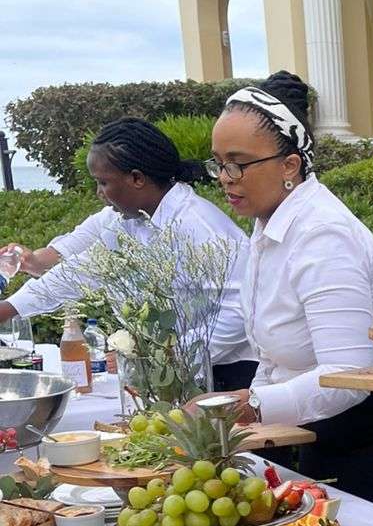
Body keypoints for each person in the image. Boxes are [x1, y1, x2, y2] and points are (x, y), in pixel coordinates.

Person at [201, 71, 373, 519]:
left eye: (238, 163)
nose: (225, 179)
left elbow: (347, 374)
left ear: (289, 165)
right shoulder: (269, 222)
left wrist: (247, 407)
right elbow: (273, 357)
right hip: (319, 430)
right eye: (218, 163)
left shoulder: (323, 233)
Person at [0, 120, 254, 390]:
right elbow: (80, 272)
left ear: (137, 178)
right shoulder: (129, 222)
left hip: (231, 376)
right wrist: (10, 308)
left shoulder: (200, 226)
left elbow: (239, 312)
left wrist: (164, 358)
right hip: (175, 374)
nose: (99, 194)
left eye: (103, 182)